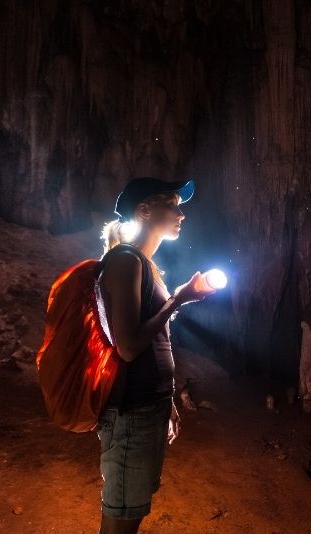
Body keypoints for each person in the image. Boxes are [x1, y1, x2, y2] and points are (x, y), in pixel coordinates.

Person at [96, 177, 216, 534]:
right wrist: (178, 300)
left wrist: (168, 403)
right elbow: (129, 347)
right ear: (145, 211)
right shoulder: (125, 261)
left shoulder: (145, 266)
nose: (181, 214)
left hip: (149, 406)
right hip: (130, 409)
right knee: (120, 521)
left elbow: (154, 342)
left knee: (131, 513)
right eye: (173, 205)